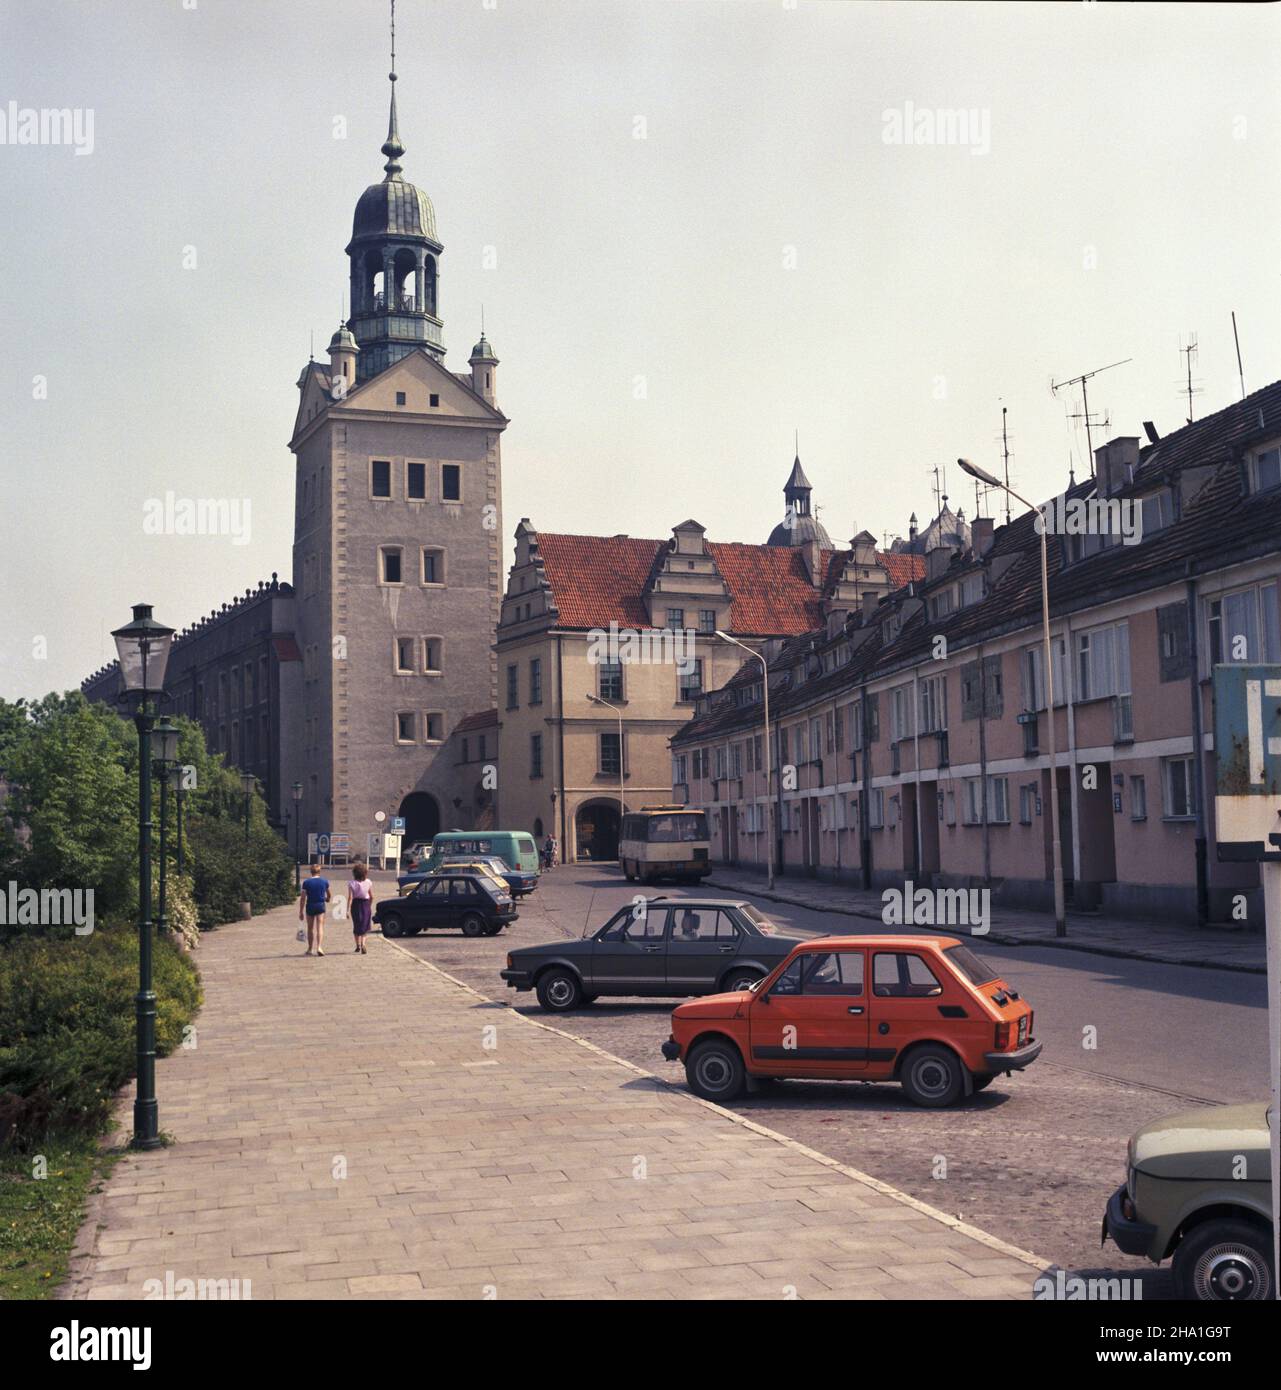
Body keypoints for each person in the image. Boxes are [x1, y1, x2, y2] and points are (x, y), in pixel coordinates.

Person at [298, 862, 331, 956]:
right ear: (319, 871)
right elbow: (329, 894)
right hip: (320, 905)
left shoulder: (306, 882)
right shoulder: (324, 881)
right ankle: (319, 947)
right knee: (320, 927)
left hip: (310, 905)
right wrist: (327, 899)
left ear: (311, 872)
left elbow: (303, 898)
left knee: (310, 928)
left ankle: (310, 948)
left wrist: (301, 911)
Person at [347, 862, 373, 954]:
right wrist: (369, 905)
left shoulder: (351, 883)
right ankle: (363, 944)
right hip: (365, 904)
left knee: (357, 925)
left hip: (355, 904)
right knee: (365, 926)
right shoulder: (368, 882)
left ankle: (357, 945)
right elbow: (371, 896)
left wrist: (347, 910)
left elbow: (350, 897)